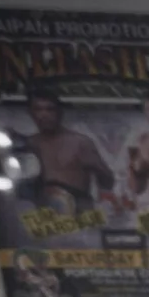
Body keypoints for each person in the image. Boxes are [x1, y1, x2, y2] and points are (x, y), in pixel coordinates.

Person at [21, 89, 117, 217]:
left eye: (50, 109)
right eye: (38, 109)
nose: (44, 115)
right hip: (43, 216)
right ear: (30, 113)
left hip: (78, 211)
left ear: (59, 112)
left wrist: (103, 197)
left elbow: (107, 179)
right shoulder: (29, 144)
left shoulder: (80, 143)